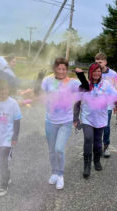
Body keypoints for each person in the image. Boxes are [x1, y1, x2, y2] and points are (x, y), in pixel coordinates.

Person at [41, 58, 81, 190]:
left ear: (67, 70)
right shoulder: (47, 80)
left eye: (64, 69)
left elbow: (85, 88)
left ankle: (60, 175)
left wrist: (81, 74)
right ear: (55, 69)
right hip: (50, 121)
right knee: (52, 150)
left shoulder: (72, 83)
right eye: (59, 69)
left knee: (59, 148)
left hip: (66, 121)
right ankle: (54, 172)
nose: (62, 71)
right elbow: (40, 94)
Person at [74, 63, 117, 178]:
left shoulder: (106, 84)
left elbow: (115, 95)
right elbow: (77, 103)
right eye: (94, 71)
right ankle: (87, 165)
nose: (97, 73)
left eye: (99, 71)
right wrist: (75, 117)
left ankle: (97, 160)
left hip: (101, 118)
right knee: (88, 139)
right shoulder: (84, 85)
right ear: (90, 73)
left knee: (98, 143)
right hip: (87, 118)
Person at [0, 79, 22, 196]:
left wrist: (15, 137)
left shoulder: (13, 103)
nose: (4, 93)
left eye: (6, 90)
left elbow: (17, 120)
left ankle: (3, 185)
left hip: (7, 138)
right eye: (1, 91)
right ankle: (6, 177)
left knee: (3, 161)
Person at [95, 53, 117, 158]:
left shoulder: (113, 74)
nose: (98, 64)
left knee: (106, 126)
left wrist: (116, 104)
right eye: (96, 62)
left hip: (108, 105)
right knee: (96, 126)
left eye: (100, 62)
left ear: (105, 62)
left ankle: (106, 146)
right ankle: (98, 146)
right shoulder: (95, 73)